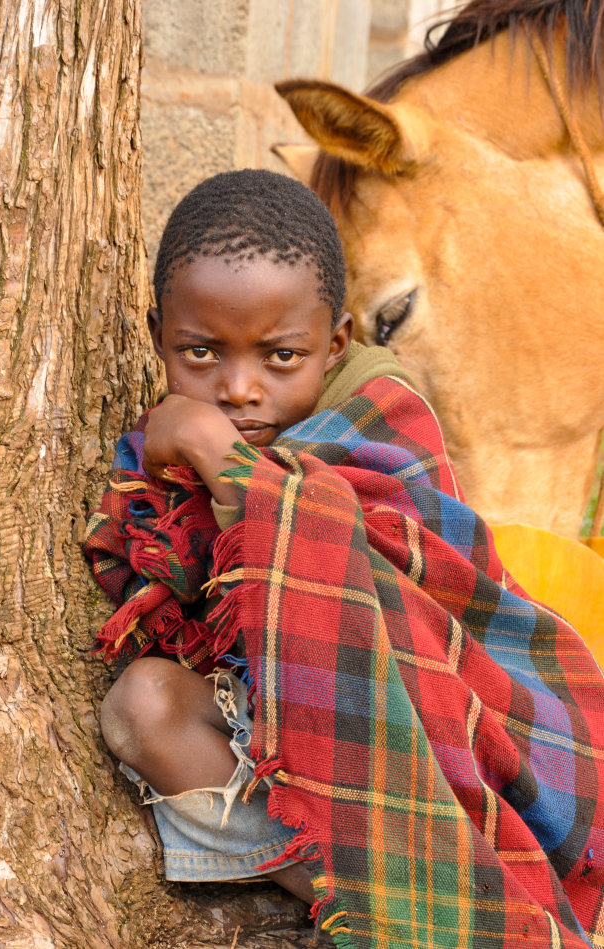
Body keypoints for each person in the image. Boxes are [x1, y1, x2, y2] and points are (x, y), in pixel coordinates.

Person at [85, 170, 604, 947]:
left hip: (436, 749)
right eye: (199, 352)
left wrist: (204, 442)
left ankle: (453, 906)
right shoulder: (152, 451)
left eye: (280, 357)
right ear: (157, 333)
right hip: (294, 765)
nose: (238, 387)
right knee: (142, 705)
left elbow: (415, 603)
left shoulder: (383, 418)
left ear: (336, 343)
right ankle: (392, 905)